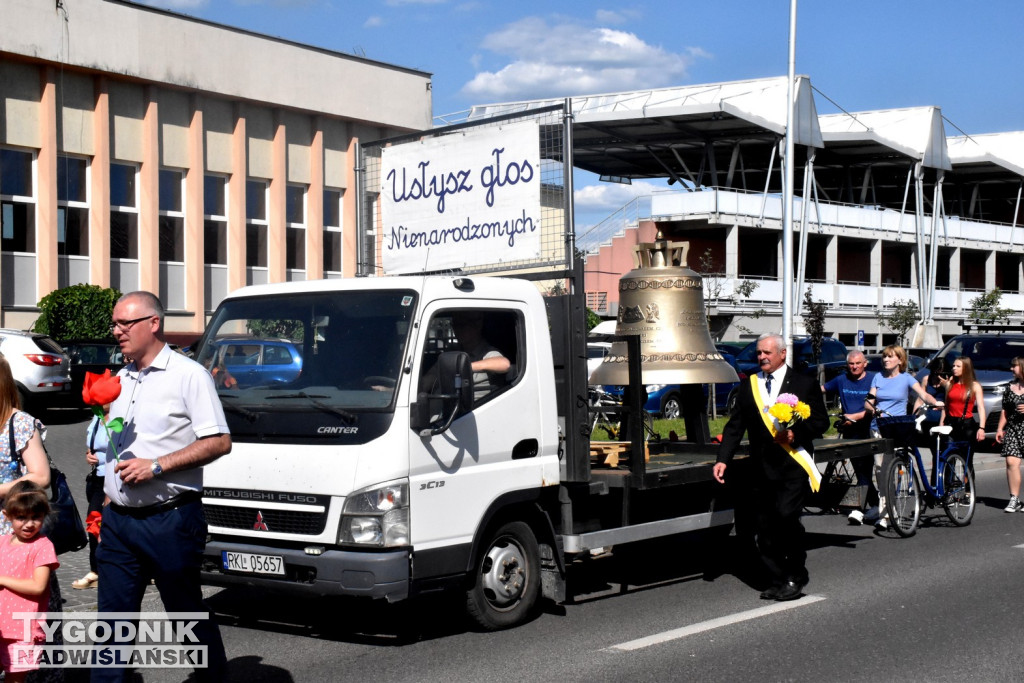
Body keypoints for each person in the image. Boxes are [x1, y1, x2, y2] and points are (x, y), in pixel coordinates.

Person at [94, 291, 232, 683]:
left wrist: (156, 466)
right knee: (112, 623)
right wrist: (106, 489)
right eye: (115, 323)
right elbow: (122, 444)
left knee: (185, 611)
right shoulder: (121, 378)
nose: (116, 331)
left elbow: (219, 441)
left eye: (125, 323)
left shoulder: (189, 375)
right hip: (119, 523)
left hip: (169, 520)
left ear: (153, 324)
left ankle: (212, 678)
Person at [714, 333, 829, 602]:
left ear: (782, 354)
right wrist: (723, 459)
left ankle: (794, 575)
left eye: (767, 352)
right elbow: (735, 426)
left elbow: (821, 422)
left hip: (793, 465)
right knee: (764, 528)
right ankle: (778, 578)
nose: (762, 357)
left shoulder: (803, 383)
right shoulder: (750, 385)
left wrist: (795, 434)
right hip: (762, 468)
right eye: (759, 353)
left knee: (786, 518)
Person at [864, 344, 943, 529]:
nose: (886, 360)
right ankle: (886, 512)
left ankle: (888, 511)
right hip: (878, 427)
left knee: (891, 469)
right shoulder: (878, 378)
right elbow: (869, 400)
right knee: (879, 470)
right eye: (884, 356)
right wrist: (872, 408)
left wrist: (936, 402)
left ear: (900, 360)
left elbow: (923, 394)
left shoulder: (906, 378)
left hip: (897, 428)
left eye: (890, 356)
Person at [0, 481, 58, 682]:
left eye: (36, 517)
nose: (29, 524)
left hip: (23, 629)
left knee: (15, 679)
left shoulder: (42, 546)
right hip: (1, 624)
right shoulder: (1, 543)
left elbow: (38, 586)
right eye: (21, 518)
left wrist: (3, 580)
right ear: (7, 516)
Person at [822, 350, 878, 525]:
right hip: (848, 430)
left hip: (867, 429)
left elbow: (874, 406)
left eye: (858, 363)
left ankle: (863, 508)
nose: (854, 367)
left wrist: (855, 417)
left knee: (865, 468)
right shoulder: (841, 379)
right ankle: (875, 504)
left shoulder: (873, 379)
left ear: (865, 364)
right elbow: (822, 389)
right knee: (860, 469)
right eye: (851, 364)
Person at [73, 403, 109, 590]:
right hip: (97, 479)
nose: (99, 402)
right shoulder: (97, 417)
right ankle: (96, 570)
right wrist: (88, 454)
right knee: (94, 523)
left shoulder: (123, 418)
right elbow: (91, 446)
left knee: (107, 524)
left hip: (117, 479)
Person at [450, 312, 510, 400]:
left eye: (461, 325)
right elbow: (433, 375)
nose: (456, 329)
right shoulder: (453, 351)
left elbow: (504, 364)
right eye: (454, 325)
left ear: (477, 326)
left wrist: (465, 367)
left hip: (473, 409)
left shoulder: (487, 352)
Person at [996, 356, 1024, 512]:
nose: (1011, 369)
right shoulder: (1010, 387)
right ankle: (1014, 499)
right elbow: (1005, 410)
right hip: (1013, 429)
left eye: (1014, 366)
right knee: (1011, 462)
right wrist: (1000, 428)